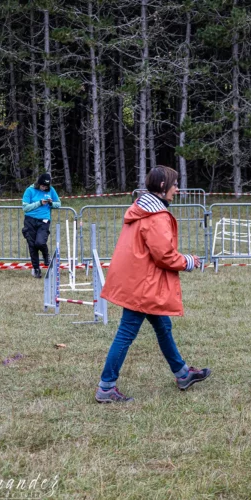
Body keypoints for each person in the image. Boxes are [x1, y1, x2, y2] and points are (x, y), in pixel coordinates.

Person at [95, 165, 210, 403]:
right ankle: (106, 386)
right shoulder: (156, 217)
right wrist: (189, 261)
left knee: (163, 326)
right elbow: (164, 256)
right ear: (162, 186)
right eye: (174, 184)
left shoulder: (140, 209)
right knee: (126, 333)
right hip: (143, 284)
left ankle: (182, 374)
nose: (177, 189)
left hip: (139, 280)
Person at [22, 172, 61, 278]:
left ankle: (46, 256)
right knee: (32, 246)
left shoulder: (51, 190)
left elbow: (58, 204)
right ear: (38, 184)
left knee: (40, 242)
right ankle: (36, 269)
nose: (44, 188)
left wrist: (51, 203)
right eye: (43, 186)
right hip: (30, 220)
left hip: (44, 220)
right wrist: (39, 203)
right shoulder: (29, 190)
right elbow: (25, 207)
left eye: (46, 186)